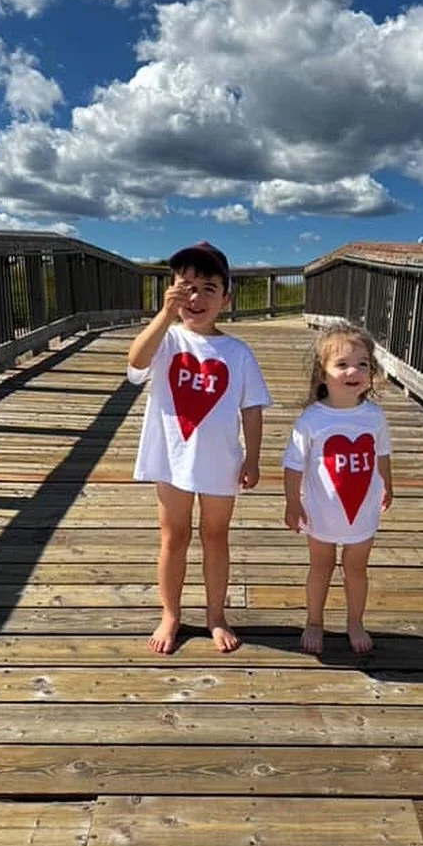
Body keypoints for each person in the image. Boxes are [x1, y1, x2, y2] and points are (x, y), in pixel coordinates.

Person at [127, 241, 272, 654]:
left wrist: (253, 457)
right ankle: (170, 614)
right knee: (173, 535)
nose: (196, 297)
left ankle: (215, 615)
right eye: (185, 287)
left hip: (219, 462)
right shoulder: (167, 340)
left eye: (209, 288)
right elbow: (136, 365)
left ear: (226, 298)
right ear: (171, 292)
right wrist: (162, 315)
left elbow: (252, 409)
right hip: (171, 460)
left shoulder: (238, 352)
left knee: (215, 535)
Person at [282, 323, 393, 655]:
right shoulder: (311, 420)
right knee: (321, 566)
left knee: (357, 568)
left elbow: (382, 453)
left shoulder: (374, 416)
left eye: (362, 364)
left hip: (364, 507)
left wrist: (388, 485)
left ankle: (355, 621)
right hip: (321, 511)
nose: (353, 371)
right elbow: (293, 465)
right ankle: (315, 621)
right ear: (322, 373)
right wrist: (292, 502)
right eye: (342, 364)